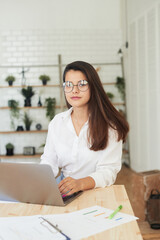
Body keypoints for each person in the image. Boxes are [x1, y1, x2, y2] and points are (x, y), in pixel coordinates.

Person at [40, 61, 129, 196]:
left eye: (82, 84)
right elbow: (48, 161)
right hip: (64, 189)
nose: (74, 90)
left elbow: (108, 171)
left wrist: (80, 183)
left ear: (93, 87)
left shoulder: (110, 126)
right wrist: (36, 182)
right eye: (68, 85)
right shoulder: (57, 123)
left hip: (96, 190)